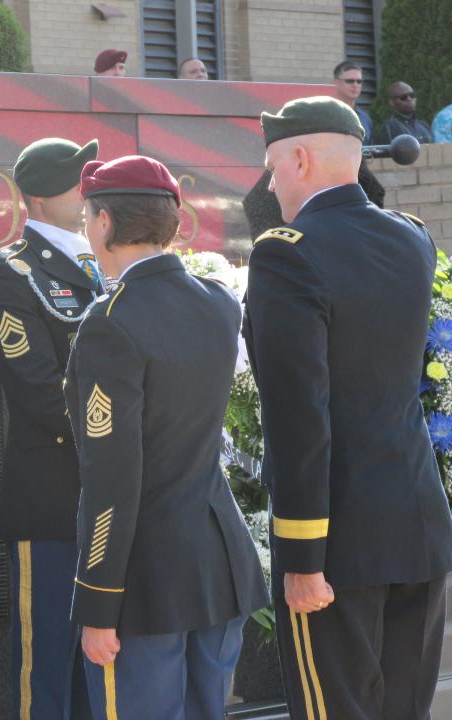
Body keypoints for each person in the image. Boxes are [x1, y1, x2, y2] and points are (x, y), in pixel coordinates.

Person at [244, 95, 452, 719]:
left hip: (336, 545)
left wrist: (303, 557)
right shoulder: (412, 239)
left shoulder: (286, 251)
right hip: (416, 526)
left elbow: (299, 416)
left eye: (274, 167)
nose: (272, 185)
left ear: (301, 157)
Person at [65, 155, 269, 719]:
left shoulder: (110, 320)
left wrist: (100, 602)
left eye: (87, 216)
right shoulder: (218, 301)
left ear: (104, 222)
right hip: (216, 564)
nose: (86, 228)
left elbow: (112, 475)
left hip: (144, 578)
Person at [0, 137, 100, 720]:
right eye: (80, 181)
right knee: (48, 666)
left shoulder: (103, 264)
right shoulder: (12, 275)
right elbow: (41, 392)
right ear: (45, 198)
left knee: (102, 670)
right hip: (54, 496)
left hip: (110, 497)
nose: (88, 190)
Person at [332, 61, 373, 145]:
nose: (355, 85)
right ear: (336, 83)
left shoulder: (365, 118)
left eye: (359, 81)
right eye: (350, 81)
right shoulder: (326, 115)